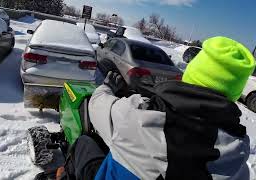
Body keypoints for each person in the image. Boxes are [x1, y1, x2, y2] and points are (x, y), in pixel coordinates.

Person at [59, 36, 256, 180]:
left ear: (191, 75)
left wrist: (107, 87)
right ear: (234, 93)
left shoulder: (139, 115)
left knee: (86, 142)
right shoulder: (238, 151)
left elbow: (96, 106)